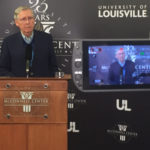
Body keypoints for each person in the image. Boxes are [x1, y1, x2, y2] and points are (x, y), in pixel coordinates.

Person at [0, 6, 58, 77]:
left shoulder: (46, 39)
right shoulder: (8, 42)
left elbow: (53, 67)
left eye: (30, 18)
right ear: (17, 22)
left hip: (42, 85)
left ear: (34, 20)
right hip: (18, 86)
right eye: (23, 19)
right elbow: (2, 69)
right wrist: (15, 81)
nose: (27, 22)